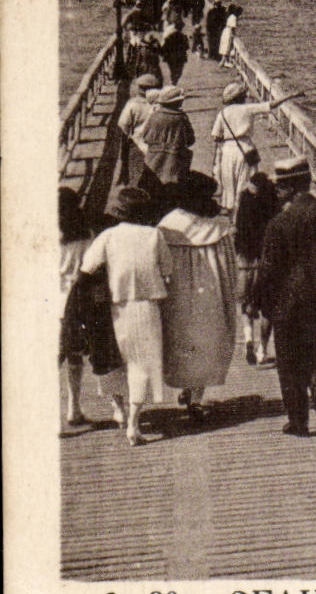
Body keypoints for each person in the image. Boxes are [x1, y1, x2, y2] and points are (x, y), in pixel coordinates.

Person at [248, 157, 316, 437]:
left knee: (288, 362)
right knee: (315, 350)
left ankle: (298, 420)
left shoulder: (278, 225)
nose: (276, 191)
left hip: (287, 304)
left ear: (294, 189)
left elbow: (269, 270)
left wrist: (256, 301)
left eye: (281, 187)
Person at [79, 187, 170, 445]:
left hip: (113, 307)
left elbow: (87, 267)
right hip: (147, 306)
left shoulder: (108, 236)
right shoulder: (154, 235)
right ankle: (134, 423)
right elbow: (167, 269)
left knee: (113, 362)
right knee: (142, 364)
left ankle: (118, 408)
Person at [157, 172, 239, 422]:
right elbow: (229, 267)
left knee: (181, 342)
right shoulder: (217, 228)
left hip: (176, 295)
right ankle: (196, 397)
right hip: (210, 295)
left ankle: (186, 387)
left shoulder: (167, 226)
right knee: (206, 342)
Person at [210, 82, 294, 212]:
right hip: (246, 147)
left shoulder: (222, 113)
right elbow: (270, 105)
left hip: (228, 148)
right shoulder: (248, 109)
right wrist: (288, 96)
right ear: (241, 97)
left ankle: (231, 211)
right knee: (246, 180)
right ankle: (242, 207)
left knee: (229, 182)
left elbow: (215, 136)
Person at [233, 158, 281, 364]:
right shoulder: (272, 206)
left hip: (245, 262)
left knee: (246, 305)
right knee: (267, 308)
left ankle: (248, 339)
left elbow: (237, 231)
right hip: (266, 263)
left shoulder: (244, 203)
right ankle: (263, 349)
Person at [58, 188, 95, 427]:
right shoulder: (87, 234)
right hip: (78, 302)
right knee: (75, 358)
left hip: (52, 302)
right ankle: (74, 407)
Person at [140, 86, 194, 189]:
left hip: (153, 159)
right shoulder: (181, 118)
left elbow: (145, 137)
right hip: (175, 160)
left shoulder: (155, 116)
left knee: (152, 187)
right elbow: (190, 140)